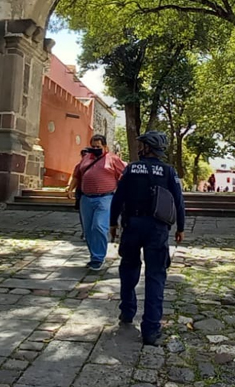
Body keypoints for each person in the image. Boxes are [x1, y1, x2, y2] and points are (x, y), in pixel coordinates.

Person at [110, 131, 185, 346]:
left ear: (148, 148)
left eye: (142, 145)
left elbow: (118, 197)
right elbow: (179, 202)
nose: (139, 148)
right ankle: (151, 330)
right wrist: (181, 227)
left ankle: (127, 312)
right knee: (155, 276)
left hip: (132, 226)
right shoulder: (169, 172)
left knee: (129, 269)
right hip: (158, 229)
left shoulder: (131, 169)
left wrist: (113, 223)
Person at [70, 134, 126, 270]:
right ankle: (94, 256)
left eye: (98, 147)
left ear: (105, 147)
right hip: (86, 199)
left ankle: (98, 257)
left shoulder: (112, 159)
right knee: (88, 230)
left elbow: (124, 173)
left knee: (99, 226)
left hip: (105, 198)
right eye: (93, 146)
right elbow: (77, 174)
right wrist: (70, 188)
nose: (95, 149)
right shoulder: (86, 158)